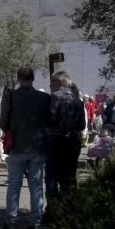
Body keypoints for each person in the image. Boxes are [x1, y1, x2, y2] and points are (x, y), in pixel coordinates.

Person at [1, 68, 52, 229]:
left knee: (14, 185)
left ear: (18, 78)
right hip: (37, 146)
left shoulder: (12, 96)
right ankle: (34, 223)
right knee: (36, 186)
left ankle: (11, 222)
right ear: (33, 78)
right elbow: (49, 121)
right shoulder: (44, 98)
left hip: (17, 146)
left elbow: (3, 123)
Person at [46, 71, 86, 207]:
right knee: (69, 177)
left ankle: (53, 209)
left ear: (59, 82)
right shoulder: (78, 101)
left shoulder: (55, 97)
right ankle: (70, 207)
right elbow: (82, 125)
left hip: (56, 142)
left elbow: (50, 119)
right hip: (73, 143)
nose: (51, 86)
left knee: (52, 177)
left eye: (52, 83)